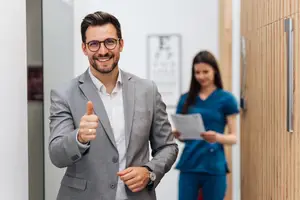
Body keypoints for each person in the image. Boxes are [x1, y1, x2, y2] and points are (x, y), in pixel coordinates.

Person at [48, 11, 178, 200]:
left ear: (121, 44)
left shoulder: (147, 90)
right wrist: (79, 137)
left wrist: (149, 172)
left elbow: (168, 146)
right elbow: (57, 155)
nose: (102, 51)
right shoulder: (64, 94)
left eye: (110, 42)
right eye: (94, 44)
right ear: (84, 48)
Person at [173, 50, 239, 200]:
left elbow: (233, 138)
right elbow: (184, 137)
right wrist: (179, 134)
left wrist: (216, 137)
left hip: (214, 165)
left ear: (214, 71)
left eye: (205, 72)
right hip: (190, 163)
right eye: (197, 72)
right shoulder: (186, 99)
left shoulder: (226, 99)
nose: (201, 76)